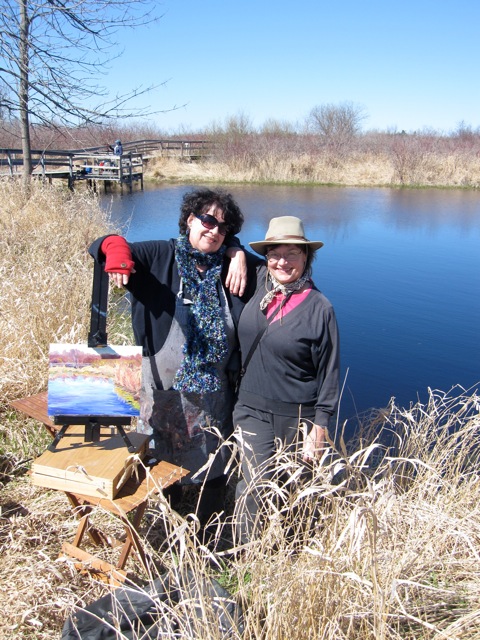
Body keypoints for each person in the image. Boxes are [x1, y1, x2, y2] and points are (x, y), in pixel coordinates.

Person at [89, 188, 261, 541]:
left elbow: (281, 266)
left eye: (224, 228)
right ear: (190, 220)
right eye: (208, 220)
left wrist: (238, 251)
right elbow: (102, 245)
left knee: (214, 463)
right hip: (162, 393)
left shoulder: (230, 268)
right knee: (163, 463)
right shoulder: (161, 256)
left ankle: (209, 532)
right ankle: (169, 522)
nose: (214, 230)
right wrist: (117, 252)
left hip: (214, 396)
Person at [232, 215, 340, 544]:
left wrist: (320, 428)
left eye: (292, 253)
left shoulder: (320, 308)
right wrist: (235, 252)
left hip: (298, 415)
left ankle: (290, 552)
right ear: (266, 258)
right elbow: (217, 246)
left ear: (306, 257)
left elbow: (329, 373)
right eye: (275, 253)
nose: (282, 262)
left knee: (294, 489)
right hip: (250, 408)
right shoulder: (257, 282)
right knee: (254, 485)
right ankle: (246, 554)